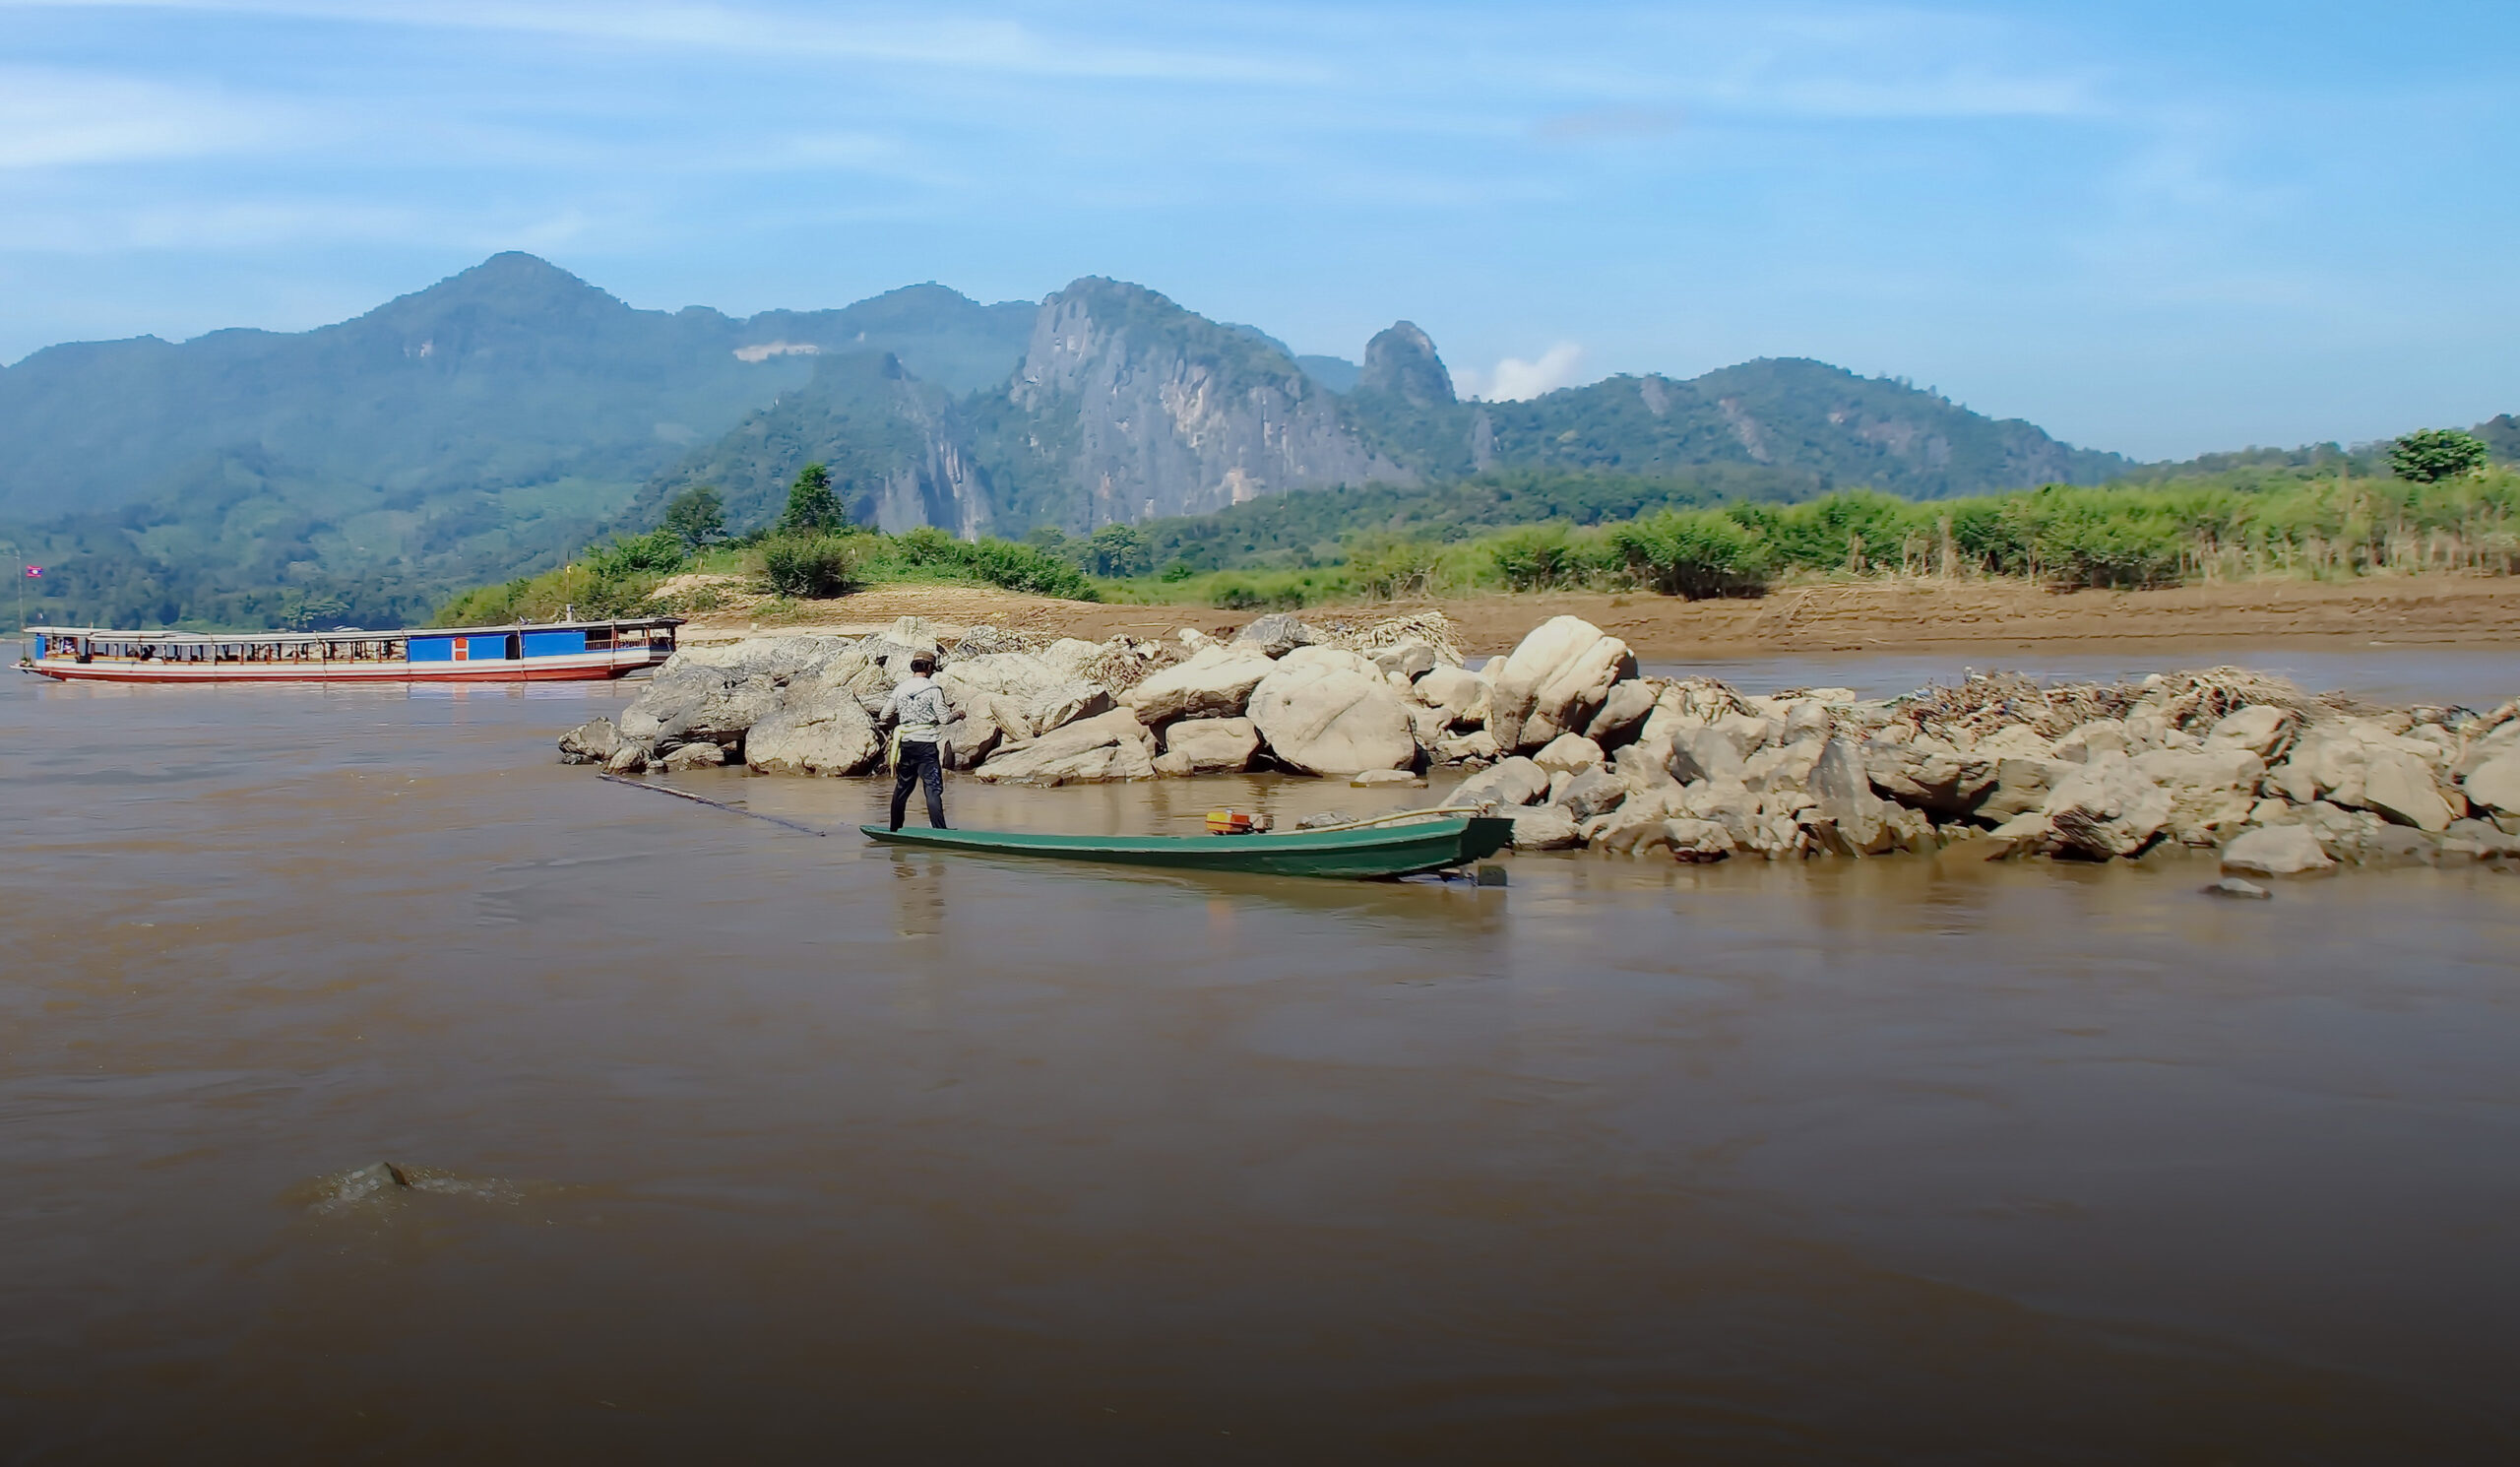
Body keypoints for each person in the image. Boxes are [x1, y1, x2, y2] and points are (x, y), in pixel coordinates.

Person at [882, 652, 951, 831]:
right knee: (932, 789)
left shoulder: (900, 688)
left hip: (906, 745)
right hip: (926, 745)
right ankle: (940, 831)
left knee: (902, 788)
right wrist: (957, 715)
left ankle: (894, 829)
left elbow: (884, 715)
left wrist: (904, 720)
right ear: (929, 668)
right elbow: (944, 719)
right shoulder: (933, 689)